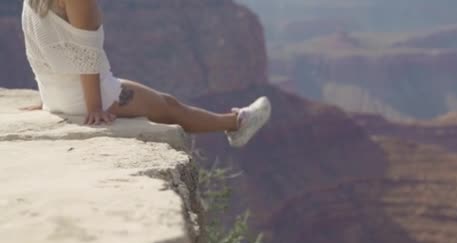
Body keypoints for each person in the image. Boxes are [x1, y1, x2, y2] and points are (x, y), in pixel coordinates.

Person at [20, 0, 270, 148]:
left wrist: (47, 95)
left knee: (166, 102)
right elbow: (87, 54)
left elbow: (37, 47)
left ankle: (234, 122)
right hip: (85, 97)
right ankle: (238, 124)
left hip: (55, 95)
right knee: (171, 108)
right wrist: (94, 107)